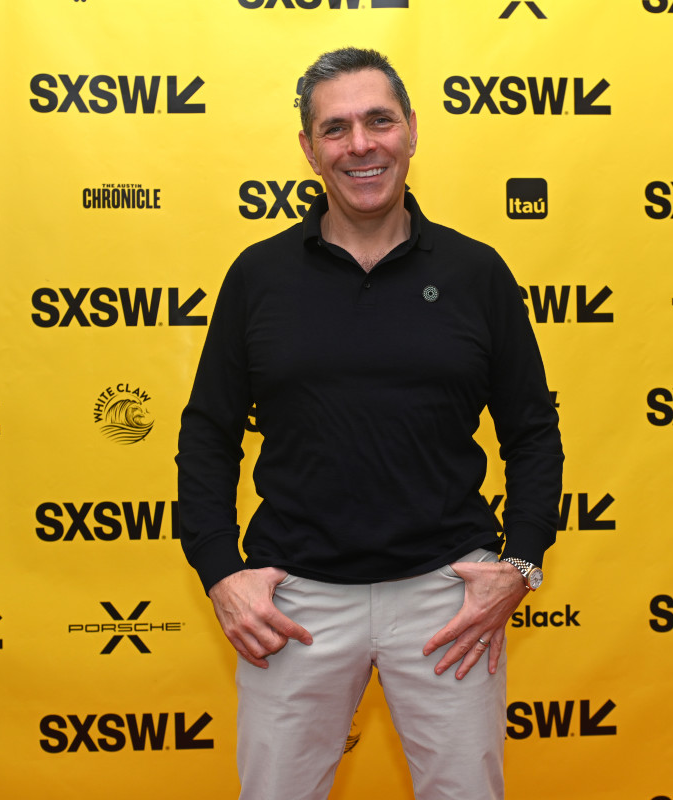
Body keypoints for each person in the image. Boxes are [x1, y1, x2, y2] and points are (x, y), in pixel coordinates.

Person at [176, 47, 563, 800]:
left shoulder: (475, 272)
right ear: (308, 147)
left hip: (449, 601)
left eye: (378, 121)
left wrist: (520, 564)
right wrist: (220, 573)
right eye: (336, 128)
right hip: (293, 602)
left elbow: (531, 431)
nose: (360, 144)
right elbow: (208, 434)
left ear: (411, 130)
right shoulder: (258, 276)